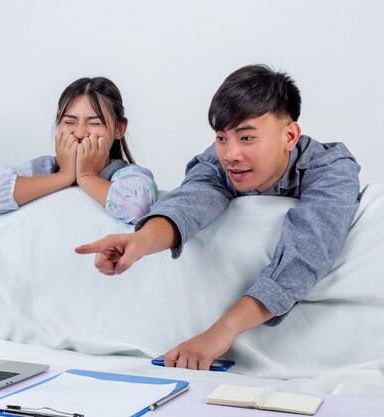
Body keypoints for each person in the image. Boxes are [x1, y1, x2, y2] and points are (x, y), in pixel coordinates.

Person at [75, 64, 361, 370]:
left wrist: (219, 333)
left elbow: (306, 251)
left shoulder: (332, 169)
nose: (231, 154)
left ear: (290, 136)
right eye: (221, 137)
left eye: (247, 138)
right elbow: (191, 200)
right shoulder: (217, 162)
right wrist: (140, 241)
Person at [0, 77, 158, 224]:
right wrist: (64, 175)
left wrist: (86, 176)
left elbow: (138, 209)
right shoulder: (42, 168)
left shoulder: (130, 176)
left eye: (94, 123)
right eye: (69, 122)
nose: (80, 132)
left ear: (119, 129)